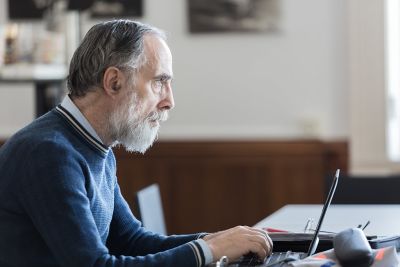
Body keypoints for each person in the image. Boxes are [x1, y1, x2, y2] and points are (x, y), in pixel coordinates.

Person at [0, 20, 272, 267]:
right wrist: (210, 249)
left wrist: (219, 240)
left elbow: (130, 240)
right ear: (114, 82)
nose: (169, 101)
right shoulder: (48, 153)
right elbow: (95, 265)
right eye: (159, 82)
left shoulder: (94, 144)